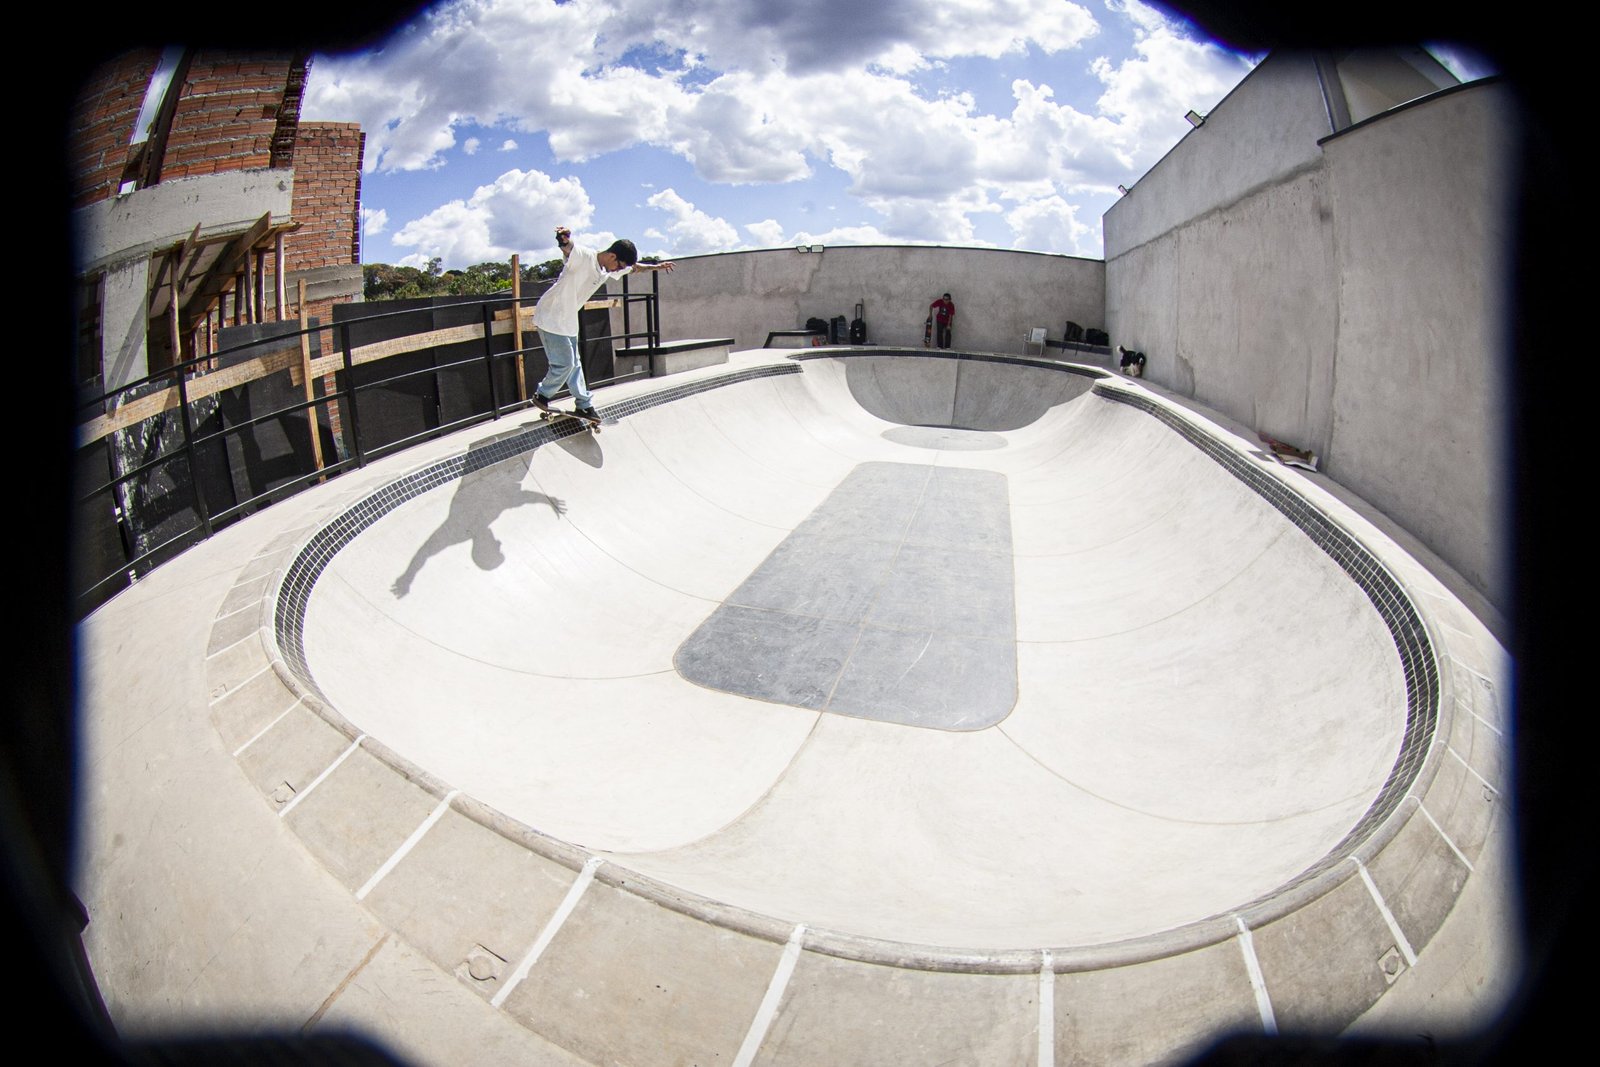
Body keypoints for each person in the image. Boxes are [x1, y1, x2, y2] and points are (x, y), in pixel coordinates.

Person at [531, 227, 674, 419]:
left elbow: (635, 268)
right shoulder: (585, 256)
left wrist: (657, 267)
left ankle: (584, 405)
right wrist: (563, 238)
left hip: (568, 319)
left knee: (575, 365)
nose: (618, 271)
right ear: (612, 256)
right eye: (619, 266)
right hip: (550, 316)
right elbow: (568, 248)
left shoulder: (606, 270)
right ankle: (542, 394)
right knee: (565, 364)